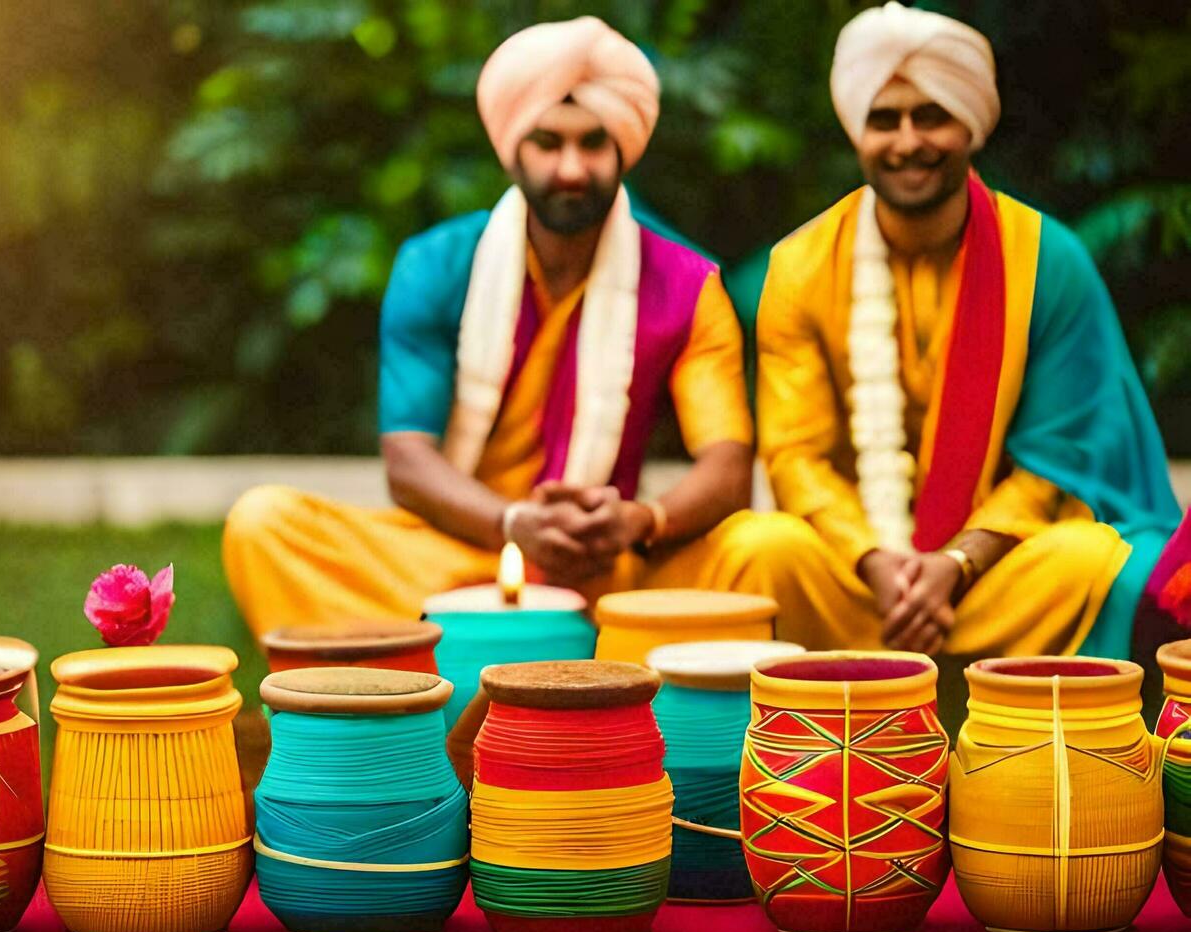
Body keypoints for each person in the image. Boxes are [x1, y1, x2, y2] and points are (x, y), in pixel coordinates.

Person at [223, 16, 764, 640]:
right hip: (460, 553)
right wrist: (511, 523)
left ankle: (452, 660)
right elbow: (407, 461)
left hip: (608, 562)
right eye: (547, 142)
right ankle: (567, 661)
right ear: (512, 150)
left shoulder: (688, 285)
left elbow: (727, 467)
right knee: (264, 524)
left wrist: (640, 521)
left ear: (623, 149)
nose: (570, 168)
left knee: (764, 547)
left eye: (592, 142)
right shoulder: (437, 265)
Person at [746, 1, 1187, 661]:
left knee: (1090, 558)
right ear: (855, 132)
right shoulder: (800, 267)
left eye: (932, 116)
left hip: (1000, 567)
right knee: (763, 548)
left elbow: (1059, 461)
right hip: (855, 571)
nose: (907, 142)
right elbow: (796, 457)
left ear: (971, 126)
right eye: (883, 120)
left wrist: (957, 561)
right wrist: (874, 560)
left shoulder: (1046, 259)